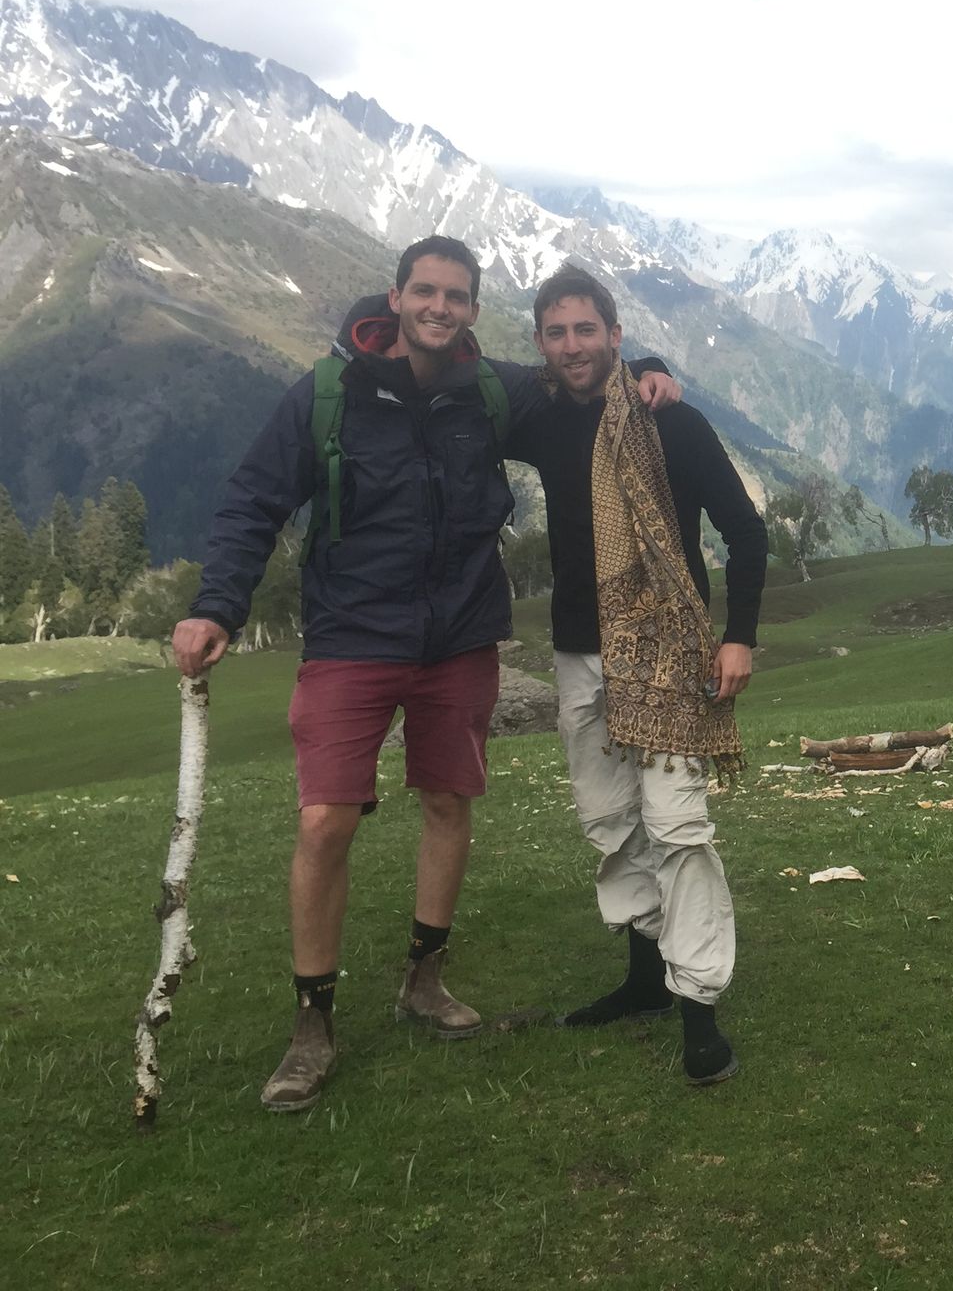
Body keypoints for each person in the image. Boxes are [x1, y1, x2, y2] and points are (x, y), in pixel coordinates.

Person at [171, 236, 677, 1113]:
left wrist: (650, 367)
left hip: (459, 636)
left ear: (475, 308)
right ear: (396, 296)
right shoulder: (327, 396)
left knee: (448, 801)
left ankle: (423, 978)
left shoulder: (491, 390)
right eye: (426, 292)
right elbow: (253, 498)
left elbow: (576, 374)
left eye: (457, 295)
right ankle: (312, 1022)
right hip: (351, 635)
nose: (440, 307)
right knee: (326, 821)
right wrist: (218, 606)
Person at [512, 264, 766, 1085]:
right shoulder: (541, 418)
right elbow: (454, 367)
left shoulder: (673, 422)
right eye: (557, 332)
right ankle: (641, 980)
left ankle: (700, 1014)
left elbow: (745, 533)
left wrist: (740, 639)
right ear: (542, 344)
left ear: (615, 337)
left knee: (677, 827)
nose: (573, 346)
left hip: (667, 651)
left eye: (588, 330)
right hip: (580, 653)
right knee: (611, 819)